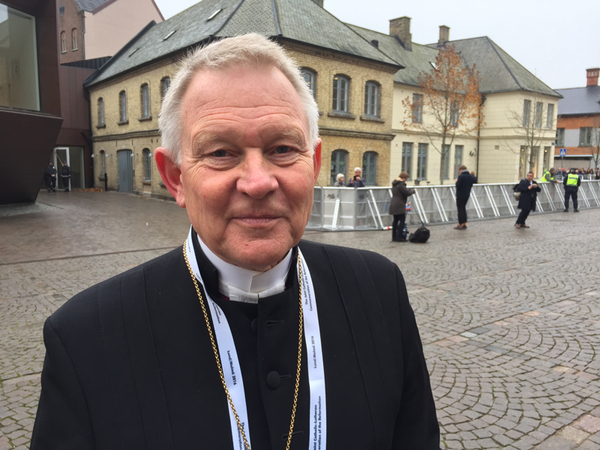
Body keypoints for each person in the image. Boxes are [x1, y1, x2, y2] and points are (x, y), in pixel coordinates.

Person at [31, 34, 440, 450]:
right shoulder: (85, 339)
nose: (259, 182)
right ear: (175, 177)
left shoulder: (379, 292)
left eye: (282, 148)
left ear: (314, 164)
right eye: (222, 153)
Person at [389, 171, 415, 242]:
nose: (406, 180)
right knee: (402, 220)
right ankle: (399, 237)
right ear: (403, 178)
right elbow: (406, 192)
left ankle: (394, 237)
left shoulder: (394, 183)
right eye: (406, 178)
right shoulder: (401, 184)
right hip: (399, 204)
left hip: (393, 203)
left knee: (395, 221)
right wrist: (412, 191)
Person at [455, 165, 476, 230]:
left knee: (460, 209)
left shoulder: (461, 176)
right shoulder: (470, 176)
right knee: (464, 208)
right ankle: (464, 223)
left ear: (461, 170)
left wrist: (456, 181)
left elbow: (458, 185)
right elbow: (475, 180)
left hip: (460, 195)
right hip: (467, 194)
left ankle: (460, 224)